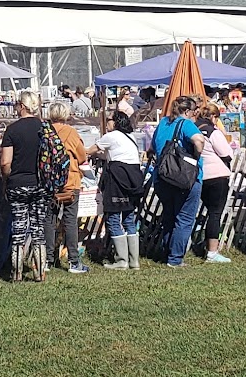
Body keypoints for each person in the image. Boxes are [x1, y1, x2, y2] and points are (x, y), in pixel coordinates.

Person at [0, 93, 52, 277]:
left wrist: (7, 179)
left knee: (19, 226)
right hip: (40, 183)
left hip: (18, 184)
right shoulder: (45, 128)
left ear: (22, 106)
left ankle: (17, 272)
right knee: (38, 227)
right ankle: (40, 272)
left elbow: (5, 162)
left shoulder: (12, 130)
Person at [150, 96, 207, 268]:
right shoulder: (186, 124)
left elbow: (152, 148)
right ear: (188, 111)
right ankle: (175, 259)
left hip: (163, 177)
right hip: (184, 178)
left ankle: (167, 251)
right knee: (184, 218)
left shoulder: (163, 124)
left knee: (169, 216)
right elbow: (199, 140)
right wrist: (196, 156)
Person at [92, 109, 147, 269]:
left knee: (114, 218)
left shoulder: (111, 136)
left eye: (109, 120)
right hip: (133, 178)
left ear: (115, 122)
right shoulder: (130, 137)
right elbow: (115, 154)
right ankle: (133, 260)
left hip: (117, 179)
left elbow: (90, 150)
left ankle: (121, 261)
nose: (107, 122)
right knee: (129, 219)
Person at [47, 100, 90, 274]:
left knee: (49, 221)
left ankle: (47, 260)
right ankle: (73, 261)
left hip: (49, 182)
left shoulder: (45, 132)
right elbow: (81, 156)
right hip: (70, 182)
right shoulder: (71, 133)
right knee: (70, 221)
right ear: (66, 114)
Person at [194, 102, 238, 264]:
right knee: (215, 213)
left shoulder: (193, 129)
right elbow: (226, 152)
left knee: (199, 212)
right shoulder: (213, 132)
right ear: (213, 117)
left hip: (199, 174)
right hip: (217, 175)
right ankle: (212, 251)